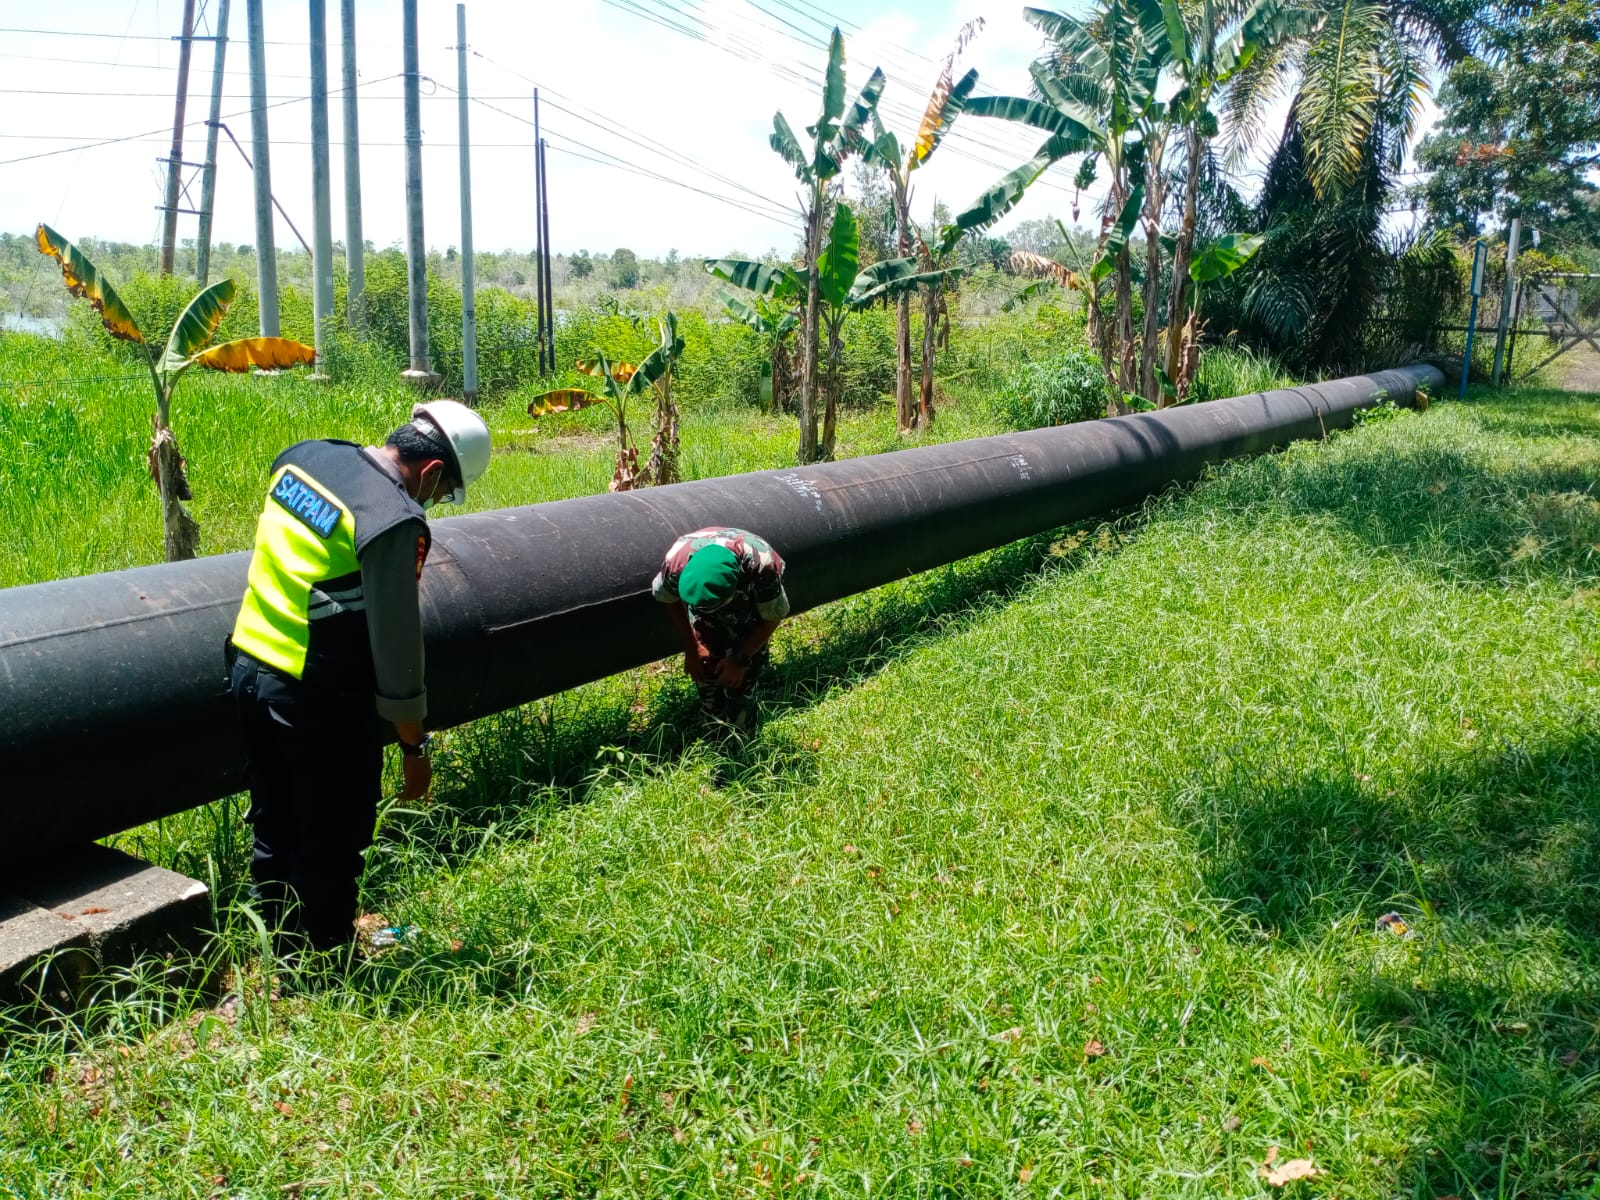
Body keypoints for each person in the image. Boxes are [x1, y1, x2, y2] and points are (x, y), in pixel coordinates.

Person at [227, 401, 491, 953]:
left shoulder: (304, 458)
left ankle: (278, 949)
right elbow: (396, 644)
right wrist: (414, 747)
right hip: (316, 693)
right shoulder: (392, 519)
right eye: (442, 495)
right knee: (334, 831)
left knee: (274, 820)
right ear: (434, 472)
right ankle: (327, 963)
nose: (434, 505)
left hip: (250, 664)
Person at [653, 527, 790, 733]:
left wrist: (740, 659)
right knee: (706, 665)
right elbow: (666, 598)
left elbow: (773, 615)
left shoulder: (762, 565)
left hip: (747, 606)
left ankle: (741, 741)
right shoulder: (676, 563)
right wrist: (692, 648)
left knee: (742, 679)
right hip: (707, 598)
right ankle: (715, 729)